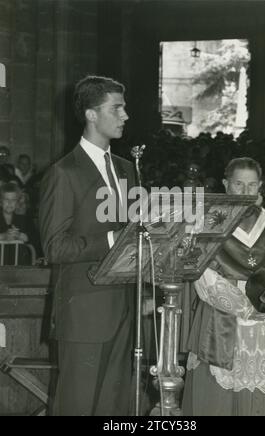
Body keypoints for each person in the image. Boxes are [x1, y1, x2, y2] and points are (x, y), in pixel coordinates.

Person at [39, 75, 135, 416]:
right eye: (117, 108)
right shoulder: (64, 173)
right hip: (84, 312)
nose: (125, 116)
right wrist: (112, 239)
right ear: (91, 114)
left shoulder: (127, 170)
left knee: (115, 407)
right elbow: (55, 248)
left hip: (125, 307)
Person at [182, 157, 265, 416]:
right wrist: (247, 307)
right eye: (238, 184)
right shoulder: (208, 224)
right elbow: (204, 277)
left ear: (260, 187)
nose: (245, 192)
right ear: (226, 185)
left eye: (251, 185)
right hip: (226, 319)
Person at [0, 182, 37, 265]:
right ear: (0, 201)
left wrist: (21, 236)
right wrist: (3, 236)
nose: (10, 203)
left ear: (17, 202)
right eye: (6, 199)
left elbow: (35, 239)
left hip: (19, 265)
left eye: (13, 200)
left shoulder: (25, 219)